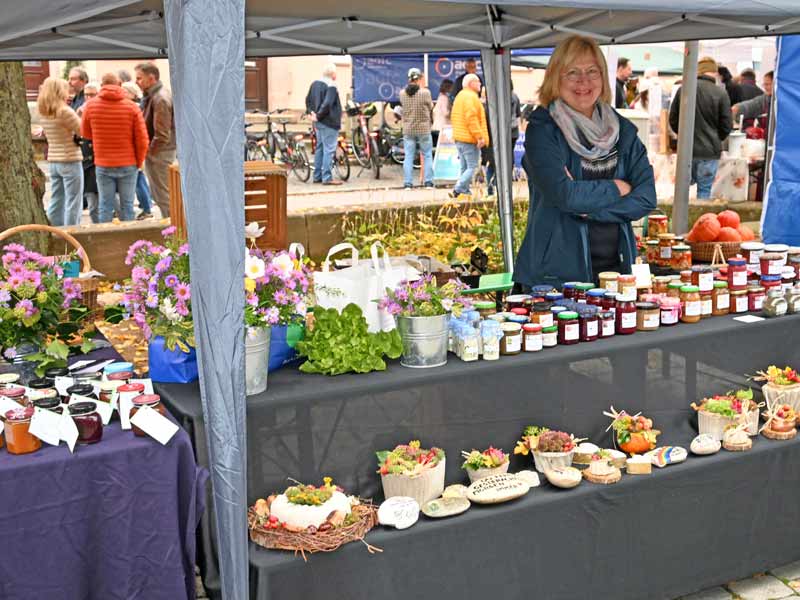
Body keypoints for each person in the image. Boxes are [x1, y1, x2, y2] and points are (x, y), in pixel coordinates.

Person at [514, 35, 656, 288]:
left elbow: (646, 198)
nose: (584, 81)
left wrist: (588, 210)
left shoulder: (622, 130)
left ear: (603, 77)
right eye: (572, 72)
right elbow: (565, 196)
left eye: (593, 71)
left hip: (615, 273)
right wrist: (618, 188)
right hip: (554, 278)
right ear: (556, 78)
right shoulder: (543, 130)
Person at [80, 72, 149, 222]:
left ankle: (105, 239)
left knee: (105, 204)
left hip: (103, 163)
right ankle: (129, 241)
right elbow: (142, 140)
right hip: (128, 162)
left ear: (101, 85)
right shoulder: (132, 107)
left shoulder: (90, 106)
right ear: (119, 85)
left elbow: (85, 134)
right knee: (127, 205)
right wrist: (139, 161)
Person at [669, 56, 732, 200]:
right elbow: (727, 125)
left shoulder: (683, 89)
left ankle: (680, 222)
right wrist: (717, 138)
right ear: (714, 72)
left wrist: (684, 135)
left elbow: (673, 119)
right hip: (709, 152)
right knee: (703, 194)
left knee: (682, 193)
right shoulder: (721, 93)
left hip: (686, 150)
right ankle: (701, 222)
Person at [37, 77, 84, 226]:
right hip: (70, 159)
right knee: (73, 200)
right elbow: (83, 130)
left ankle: (55, 229)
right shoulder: (64, 111)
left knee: (57, 199)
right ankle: (72, 233)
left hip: (54, 160)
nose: (68, 93)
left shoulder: (44, 111)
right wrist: (81, 115)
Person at [136, 62, 176, 217]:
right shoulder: (154, 96)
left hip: (161, 153)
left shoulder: (160, 98)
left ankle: (174, 232)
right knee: (161, 195)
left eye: (139, 78)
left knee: (164, 196)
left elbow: (162, 134)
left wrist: (149, 151)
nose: (137, 82)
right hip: (160, 151)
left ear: (151, 78)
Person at [450, 73, 489, 198]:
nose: (480, 84)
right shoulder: (471, 97)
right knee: (473, 166)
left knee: (464, 166)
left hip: (459, 137)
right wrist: (479, 136)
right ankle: (458, 188)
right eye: (478, 81)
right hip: (469, 138)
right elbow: (471, 119)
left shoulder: (460, 96)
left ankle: (464, 192)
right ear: (471, 84)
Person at [305, 64, 343, 186]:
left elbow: (308, 100)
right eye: (336, 73)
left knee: (319, 148)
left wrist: (312, 113)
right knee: (329, 149)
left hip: (318, 122)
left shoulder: (314, 83)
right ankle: (327, 177)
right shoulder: (332, 85)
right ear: (333, 74)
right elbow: (327, 103)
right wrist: (319, 115)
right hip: (329, 122)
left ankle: (317, 176)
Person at [122, 81, 154, 220]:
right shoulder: (137, 106)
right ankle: (146, 207)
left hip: (134, 149)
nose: (122, 93)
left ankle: (147, 208)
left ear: (132, 94)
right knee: (139, 179)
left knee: (139, 180)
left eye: (125, 91)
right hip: (136, 149)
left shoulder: (134, 107)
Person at [398, 68, 434, 189]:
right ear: (419, 79)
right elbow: (430, 107)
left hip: (408, 129)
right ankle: (428, 182)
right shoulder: (425, 93)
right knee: (427, 154)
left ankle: (408, 183)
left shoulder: (402, 93)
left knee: (408, 156)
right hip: (423, 128)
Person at [80, 82, 100, 223]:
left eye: (92, 94)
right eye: (86, 94)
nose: (88, 97)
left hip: (101, 161)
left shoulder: (102, 111)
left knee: (110, 200)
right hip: (87, 163)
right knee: (92, 202)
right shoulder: (79, 111)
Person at [432, 78, 453, 148]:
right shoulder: (444, 98)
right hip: (442, 128)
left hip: (436, 126)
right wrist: (452, 111)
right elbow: (446, 113)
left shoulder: (440, 97)